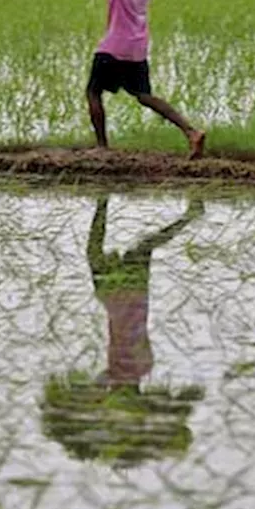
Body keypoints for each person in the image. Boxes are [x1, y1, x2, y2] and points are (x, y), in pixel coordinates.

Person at [39, 195, 206, 468]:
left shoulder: (138, 367)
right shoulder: (127, 370)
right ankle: (107, 203)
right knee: (123, 249)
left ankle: (106, 203)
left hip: (126, 298)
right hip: (121, 298)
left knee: (131, 248)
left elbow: (106, 380)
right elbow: (105, 380)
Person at [81, 0, 205, 159]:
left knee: (93, 92)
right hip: (137, 45)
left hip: (115, 45)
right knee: (143, 95)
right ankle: (191, 131)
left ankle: (102, 146)